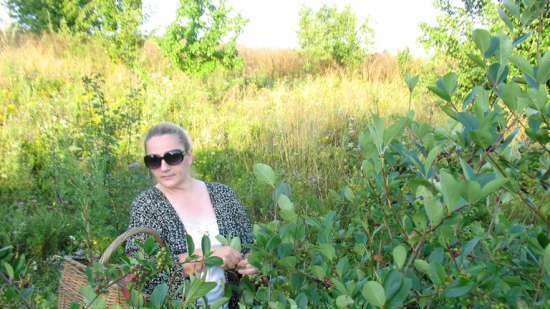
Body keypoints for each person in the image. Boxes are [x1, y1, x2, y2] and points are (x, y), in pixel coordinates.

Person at [124, 122, 256, 307]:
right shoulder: (146, 205)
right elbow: (143, 275)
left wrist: (252, 262)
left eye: (173, 157)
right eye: (153, 160)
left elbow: (250, 243)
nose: (163, 167)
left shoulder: (223, 195)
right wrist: (207, 256)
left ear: (189, 156)